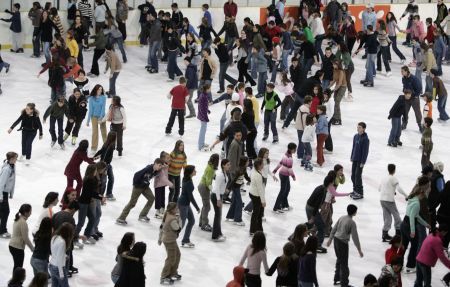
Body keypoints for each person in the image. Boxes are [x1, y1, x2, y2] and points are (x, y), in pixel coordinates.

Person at [116, 158, 163, 224]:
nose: (160, 167)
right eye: (159, 165)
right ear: (155, 163)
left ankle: (143, 215)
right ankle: (121, 218)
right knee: (132, 203)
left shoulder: (156, 171)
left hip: (145, 187)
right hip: (138, 187)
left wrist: (145, 183)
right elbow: (136, 175)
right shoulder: (148, 169)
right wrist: (137, 184)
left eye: (161, 166)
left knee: (151, 198)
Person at [327, 204, 364, 287]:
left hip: (336, 241)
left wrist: (330, 239)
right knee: (344, 265)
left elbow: (334, 228)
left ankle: (337, 279)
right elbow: (355, 237)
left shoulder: (342, 217)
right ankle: (344, 284)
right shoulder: (352, 222)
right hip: (342, 243)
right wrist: (359, 250)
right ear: (354, 212)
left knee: (339, 260)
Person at [401, 176, 431, 274]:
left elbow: (416, 216)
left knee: (404, 245)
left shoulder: (413, 199)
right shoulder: (417, 203)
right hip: (408, 225)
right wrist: (413, 231)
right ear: (421, 194)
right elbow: (412, 218)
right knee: (414, 244)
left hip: (404, 224)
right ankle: (410, 266)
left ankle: (398, 264)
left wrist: (426, 224)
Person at [306, 174, 335, 253]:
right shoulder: (323, 191)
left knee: (311, 225)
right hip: (312, 209)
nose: (333, 185)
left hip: (309, 207)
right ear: (329, 183)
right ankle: (318, 245)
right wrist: (313, 216)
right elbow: (316, 205)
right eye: (332, 183)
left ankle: (294, 235)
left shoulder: (320, 187)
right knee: (321, 227)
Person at [379, 164, 408, 242]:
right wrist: (406, 195)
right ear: (394, 170)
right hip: (389, 200)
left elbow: (379, 188)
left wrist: (391, 191)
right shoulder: (393, 178)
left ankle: (384, 234)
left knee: (387, 217)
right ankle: (398, 235)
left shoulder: (384, 178)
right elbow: (399, 188)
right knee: (397, 217)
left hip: (382, 200)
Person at [160, 202, 182, 285]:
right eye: (176, 208)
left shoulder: (168, 214)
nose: (177, 209)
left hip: (170, 239)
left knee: (178, 255)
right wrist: (179, 218)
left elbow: (162, 226)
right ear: (172, 209)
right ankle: (164, 276)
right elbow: (178, 228)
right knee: (171, 258)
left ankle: (173, 273)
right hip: (170, 240)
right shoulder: (172, 219)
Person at [177, 165, 199, 248]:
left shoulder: (186, 178)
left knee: (192, 220)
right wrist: (197, 207)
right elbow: (191, 197)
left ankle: (186, 239)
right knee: (181, 224)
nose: (196, 171)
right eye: (194, 170)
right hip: (183, 204)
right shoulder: (188, 182)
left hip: (185, 203)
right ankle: (171, 237)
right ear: (190, 172)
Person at [8, 204, 33, 274]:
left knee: (17, 266)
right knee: (18, 267)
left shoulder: (18, 218)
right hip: (17, 247)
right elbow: (25, 238)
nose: (31, 213)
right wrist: (32, 248)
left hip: (12, 245)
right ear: (26, 213)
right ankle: (15, 282)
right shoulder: (23, 222)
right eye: (30, 212)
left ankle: (14, 282)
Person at [273, 143, 296, 212]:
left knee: (287, 189)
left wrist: (275, 170)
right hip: (284, 175)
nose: (295, 150)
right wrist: (293, 176)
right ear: (291, 149)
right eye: (295, 149)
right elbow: (289, 169)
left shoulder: (286, 154)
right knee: (283, 191)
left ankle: (284, 205)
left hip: (283, 174)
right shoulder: (289, 158)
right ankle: (276, 207)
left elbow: (280, 163)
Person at [198, 154, 218, 232]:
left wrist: (216, 176)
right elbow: (208, 182)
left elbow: (211, 175)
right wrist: (212, 191)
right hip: (204, 187)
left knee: (205, 205)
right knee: (207, 206)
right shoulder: (210, 169)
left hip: (202, 186)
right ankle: (204, 224)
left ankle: (201, 222)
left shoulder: (210, 166)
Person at [49, 223, 74, 287]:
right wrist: (61, 274)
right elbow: (59, 259)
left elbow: (54, 251)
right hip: (58, 268)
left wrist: (64, 256)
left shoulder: (54, 237)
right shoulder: (62, 242)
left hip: (51, 266)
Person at [94, 131, 116, 200]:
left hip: (106, 164)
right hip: (105, 165)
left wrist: (95, 156)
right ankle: (100, 196)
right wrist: (105, 165)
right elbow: (105, 154)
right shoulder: (111, 145)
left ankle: (108, 193)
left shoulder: (107, 143)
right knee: (103, 181)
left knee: (110, 179)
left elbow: (101, 151)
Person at [350, 122, 370, 200]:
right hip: (355, 159)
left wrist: (363, 162)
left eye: (360, 127)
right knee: (353, 176)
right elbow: (353, 147)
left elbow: (365, 152)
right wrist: (352, 156)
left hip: (360, 161)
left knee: (358, 176)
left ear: (364, 129)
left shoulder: (365, 139)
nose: (358, 128)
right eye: (357, 127)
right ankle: (355, 190)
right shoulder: (355, 136)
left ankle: (360, 193)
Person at [211, 159, 230, 242]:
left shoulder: (224, 173)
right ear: (223, 165)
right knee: (217, 215)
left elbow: (221, 185)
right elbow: (217, 188)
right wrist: (219, 200)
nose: (229, 166)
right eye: (228, 165)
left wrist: (224, 190)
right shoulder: (220, 175)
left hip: (219, 195)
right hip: (216, 196)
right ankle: (215, 236)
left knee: (219, 215)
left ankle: (219, 232)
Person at [0, 152, 18, 239]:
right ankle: (2, 231)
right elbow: (1, 183)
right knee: (5, 212)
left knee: (2, 212)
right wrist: (1, 196)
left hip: (5, 193)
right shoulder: (7, 169)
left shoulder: (12, 167)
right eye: (15, 158)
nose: (16, 160)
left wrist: (11, 193)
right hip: (2, 193)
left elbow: (12, 181)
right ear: (11, 159)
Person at [401, 66, 423, 131]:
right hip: (407, 98)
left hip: (414, 99)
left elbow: (419, 88)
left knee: (417, 113)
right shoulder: (403, 78)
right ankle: (404, 123)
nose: (401, 73)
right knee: (405, 111)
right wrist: (405, 92)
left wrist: (416, 95)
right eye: (401, 71)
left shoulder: (414, 78)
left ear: (406, 71)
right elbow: (404, 87)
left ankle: (420, 125)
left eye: (402, 71)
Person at [87, 85, 107, 152]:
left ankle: (107, 146)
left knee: (104, 132)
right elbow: (90, 110)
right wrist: (88, 120)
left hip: (102, 116)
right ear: (95, 90)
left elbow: (103, 109)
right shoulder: (91, 98)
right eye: (98, 89)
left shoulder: (103, 97)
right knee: (95, 132)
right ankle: (93, 148)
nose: (100, 91)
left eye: (101, 89)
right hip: (94, 117)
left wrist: (100, 118)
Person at [249, 159, 265, 235]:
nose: (263, 166)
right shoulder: (257, 175)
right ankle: (253, 230)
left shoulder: (254, 171)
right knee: (256, 214)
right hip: (256, 195)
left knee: (258, 213)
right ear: (258, 165)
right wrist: (263, 201)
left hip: (252, 193)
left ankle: (259, 229)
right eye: (262, 164)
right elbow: (260, 189)